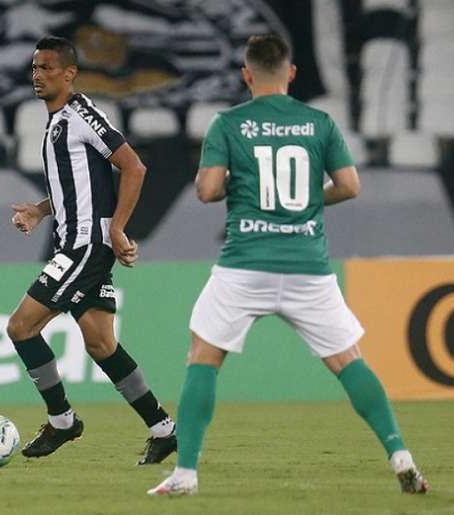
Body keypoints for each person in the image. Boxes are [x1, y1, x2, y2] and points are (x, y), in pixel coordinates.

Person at [148, 34, 428, 496]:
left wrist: (246, 192)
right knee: (348, 362)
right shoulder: (319, 122)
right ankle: (401, 456)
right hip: (308, 267)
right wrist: (302, 203)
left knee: (203, 357)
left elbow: (208, 190)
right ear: (291, 73)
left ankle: (185, 474)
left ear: (246, 74)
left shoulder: (228, 124)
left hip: (245, 264)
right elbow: (351, 186)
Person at [7, 36, 176, 464]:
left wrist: (118, 229)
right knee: (101, 344)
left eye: (47, 68)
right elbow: (83, 187)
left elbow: (134, 166)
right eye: (34, 68)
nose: (37, 75)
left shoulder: (82, 115)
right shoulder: (58, 121)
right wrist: (42, 211)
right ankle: (162, 428)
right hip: (76, 242)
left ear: (70, 73)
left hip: (83, 247)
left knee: (21, 328)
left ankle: (63, 420)